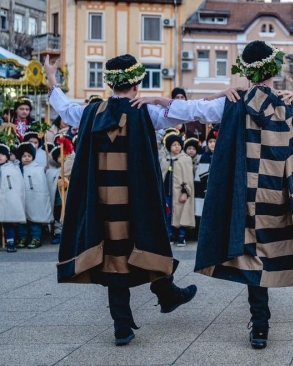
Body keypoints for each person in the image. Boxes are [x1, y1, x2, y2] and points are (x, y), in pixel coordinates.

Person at [131, 40, 293, 349]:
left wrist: (159, 98)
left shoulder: (232, 102)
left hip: (247, 193)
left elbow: (192, 110)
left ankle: (261, 327)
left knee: (253, 257)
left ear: (247, 72)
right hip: (281, 191)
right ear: (272, 70)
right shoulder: (289, 101)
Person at [44, 54, 197, 346]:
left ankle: (123, 326)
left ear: (110, 82)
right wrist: (164, 100)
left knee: (114, 258)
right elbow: (189, 113)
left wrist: (53, 78)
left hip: (103, 203)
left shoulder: (91, 112)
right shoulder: (146, 112)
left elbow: (64, 109)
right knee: (147, 240)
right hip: (137, 199)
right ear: (137, 83)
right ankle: (167, 294)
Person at [161, 133, 195, 247]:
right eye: (174, 145)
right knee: (168, 214)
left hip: (181, 193)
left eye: (178, 145)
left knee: (182, 213)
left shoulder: (185, 159)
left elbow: (188, 177)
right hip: (167, 193)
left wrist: (186, 192)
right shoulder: (165, 159)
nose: (176, 147)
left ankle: (181, 236)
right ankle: (169, 235)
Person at [15, 142, 49, 249]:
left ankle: (36, 238)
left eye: (29, 156)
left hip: (34, 199)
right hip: (21, 199)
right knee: (22, 221)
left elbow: (42, 186)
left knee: (35, 219)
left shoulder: (38, 169)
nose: (27, 158)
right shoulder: (17, 169)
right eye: (24, 156)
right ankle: (23, 238)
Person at [0, 143, 26, 253]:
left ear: (7, 156)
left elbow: (18, 185)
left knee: (8, 221)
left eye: (2, 154)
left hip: (7, 198)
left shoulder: (13, 169)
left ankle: (10, 241)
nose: (0, 156)